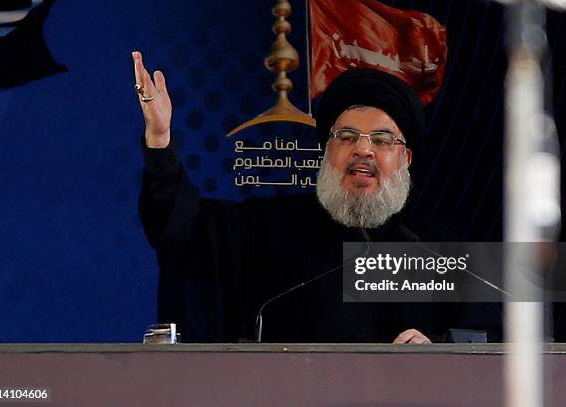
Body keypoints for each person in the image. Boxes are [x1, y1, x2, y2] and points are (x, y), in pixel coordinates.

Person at [133, 51, 481, 344]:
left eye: (382, 139)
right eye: (346, 136)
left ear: (405, 158)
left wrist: (441, 353)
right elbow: (183, 227)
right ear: (327, 152)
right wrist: (161, 141)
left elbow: (491, 339)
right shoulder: (269, 230)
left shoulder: (432, 249)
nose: (363, 149)